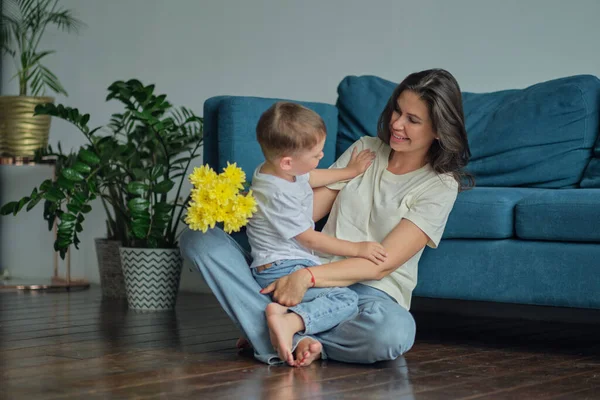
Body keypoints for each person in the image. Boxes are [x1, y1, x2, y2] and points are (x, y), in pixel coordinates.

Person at [180, 68, 472, 367]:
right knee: (200, 240)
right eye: (397, 110)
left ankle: (274, 330)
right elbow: (305, 214)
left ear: (438, 129)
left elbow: (382, 265)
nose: (396, 123)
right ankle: (292, 335)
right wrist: (265, 199)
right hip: (305, 269)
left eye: (412, 120)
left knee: (393, 333)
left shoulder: (440, 185)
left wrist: (306, 278)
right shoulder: (365, 149)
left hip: (365, 293)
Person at [248, 102, 386, 366]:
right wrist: (358, 249)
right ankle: (290, 321)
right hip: (282, 267)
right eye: (315, 154)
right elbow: (310, 238)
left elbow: (308, 177)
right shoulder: (276, 195)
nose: (321, 156)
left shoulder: (280, 171)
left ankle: (286, 325)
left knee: (336, 298)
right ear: (288, 162)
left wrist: (350, 172)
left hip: (283, 262)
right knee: (346, 299)